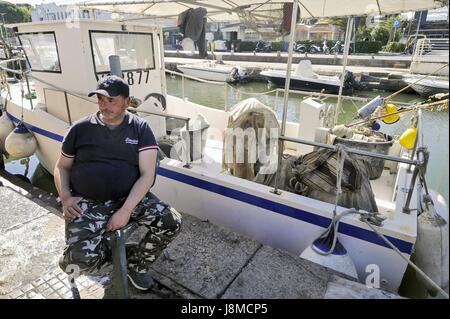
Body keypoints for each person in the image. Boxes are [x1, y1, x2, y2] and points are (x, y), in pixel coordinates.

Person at [54, 75, 182, 290]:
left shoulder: (140, 129)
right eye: (101, 100)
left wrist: (125, 210)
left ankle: (135, 265)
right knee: (73, 266)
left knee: (172, 222)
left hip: (129, 197)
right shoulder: (80, 128)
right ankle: (118, 253)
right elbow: (61, 166)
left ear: (127, 102)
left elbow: (147, 175)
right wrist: (66, 197)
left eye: (111, 100)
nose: (105, 105)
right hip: (87, 201)